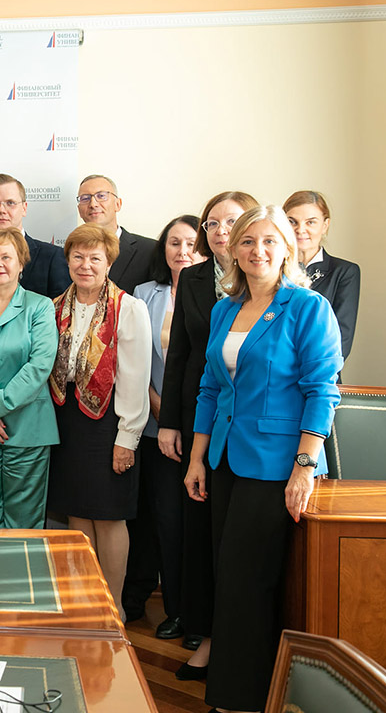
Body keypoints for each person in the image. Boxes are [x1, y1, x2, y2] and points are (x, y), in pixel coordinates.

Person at [184, 205, 341, 712]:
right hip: (225, 462)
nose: (258, 251)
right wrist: (196, 459)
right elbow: (210, 388)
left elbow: (322, 391)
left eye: (270, 241)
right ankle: (234, 694)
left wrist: (304, 466)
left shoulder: (308, 307)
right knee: (227, 578)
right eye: (249, 241)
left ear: (288, 249)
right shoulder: (224, 309)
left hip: (275, 466)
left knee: (248, 582)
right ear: (233, 248)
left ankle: (245, 700)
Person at [157, 190, 258, 673]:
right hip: (202, 417)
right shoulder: (194, 279)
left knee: (239, 543)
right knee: (199, 531)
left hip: (257, 428)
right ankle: (202, 628)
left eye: (230, 222)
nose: (220, 230)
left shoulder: (274, 286)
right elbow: (178, 355)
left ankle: (237, 643)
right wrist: (171, 423)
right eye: (212, 223)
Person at [46, 223, 150, 622]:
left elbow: (135, 377)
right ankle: (85, 598)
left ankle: (113, 603)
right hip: (68, 420)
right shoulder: (55, 306)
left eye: (95, 258)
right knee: (77, 515)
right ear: (68, 260)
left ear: (109, 262)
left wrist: (127, 437)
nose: (85, 265)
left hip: (110, 422)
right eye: (77, 256)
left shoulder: (129, 307)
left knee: (109, 516)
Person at [124, 215, 204, 638]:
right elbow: (136, 362)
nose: (182, 251)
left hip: (203, 428)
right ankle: (175, 610)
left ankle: (200, 616)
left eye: (191, 243)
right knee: (165, 522)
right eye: (174, 243)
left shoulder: (221, 293)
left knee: (198, 527)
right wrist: (159, 410)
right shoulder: (143, 294)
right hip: (156, 429)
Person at [0, 228, 58, 529]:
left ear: (21, 262)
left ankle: (22, 577)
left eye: (6, 256)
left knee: (24, 522)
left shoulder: (39, 306)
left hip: (27, 428)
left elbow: (39, 366)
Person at [0, 174, 69, 299]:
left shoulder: (51, 257)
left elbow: (60, 312)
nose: (1, 210)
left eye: (10, 203)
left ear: (24, 208)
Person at [284, 190, 361, 361]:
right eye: (292, 222)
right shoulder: (271, 269)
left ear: (325, 226)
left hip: (320, 376)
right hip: (273, 377)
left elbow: (341, 340)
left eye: (310, 222)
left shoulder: (344, 272)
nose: (300, 230)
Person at [75, 174, 154, 293]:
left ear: (118, 204)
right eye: (85, 198)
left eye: (101, 196)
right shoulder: (69, 254)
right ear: (79, 210)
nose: (93, 204)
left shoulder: (150, 250)